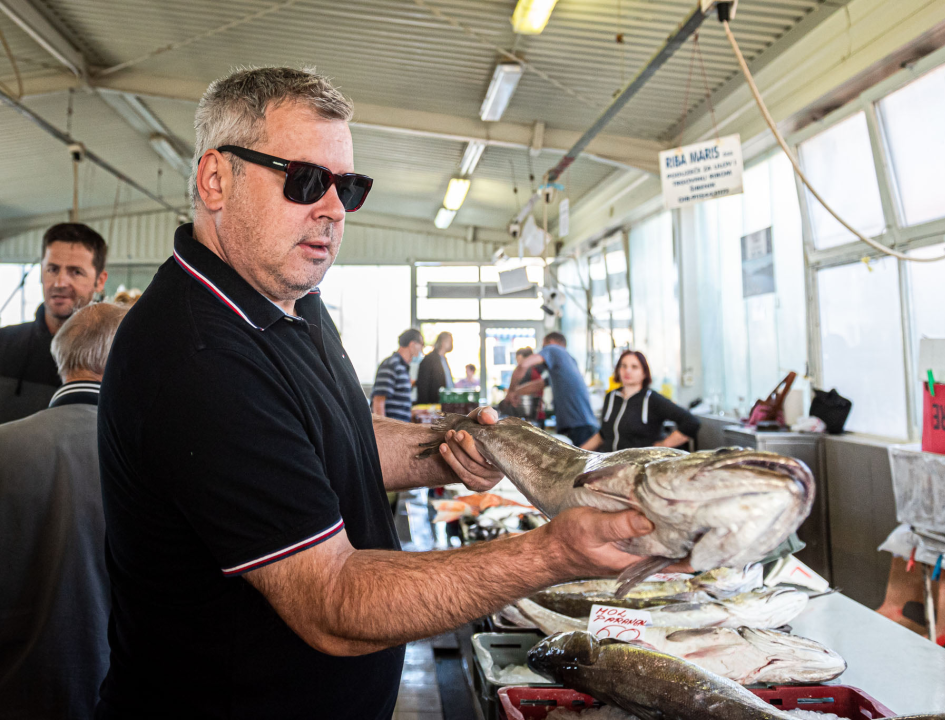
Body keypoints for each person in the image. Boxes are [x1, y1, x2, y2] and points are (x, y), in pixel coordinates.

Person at [96, 67, 667, 720]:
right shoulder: (194, 354)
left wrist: (448, 449)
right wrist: (554, 551)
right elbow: (333, 603)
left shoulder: (293, 300)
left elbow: (333, 437)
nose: (333, 209)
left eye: (349, 187)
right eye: (305, 180)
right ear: (216, 180)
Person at [0, 302, 127, 720]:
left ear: (61, 359)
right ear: (127, 361)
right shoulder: (150, 457)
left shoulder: (5, 446)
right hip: (116, 691)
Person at [0, 223, 108, 424]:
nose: (59, 282)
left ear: (100, 281)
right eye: (52, 269)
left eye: (75, 272)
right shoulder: (3, 344)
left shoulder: (116, 357)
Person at [581, 350, 700, 452]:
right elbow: (603, 435)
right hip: (610, 466)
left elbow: (691, 422)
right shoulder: (611, 397)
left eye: (634, 367)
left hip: (640, 468)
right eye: (623, 366)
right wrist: (578, 453)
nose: (627, 371)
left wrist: (663, 445)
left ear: (644, 373)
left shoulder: (652, 399)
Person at [509, 332, 597, 446]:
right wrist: (516, 392)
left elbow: (523, 365)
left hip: (579, 427)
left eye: (543, 346)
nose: (543, 350)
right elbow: (538, 385)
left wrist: (510, 392)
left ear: (550, 343)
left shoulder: (553, 349)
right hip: (582, 425)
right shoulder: (566, 362)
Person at [372, 328, 423, 421]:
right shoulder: (391, 364)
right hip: (390, 433)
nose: (422, 349)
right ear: (412, 345)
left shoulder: (403, 367)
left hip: (399, 431)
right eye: (421, 344)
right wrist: (384, 431)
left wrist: (412, 413)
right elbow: (378, 401)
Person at [416, 331, 453, 404]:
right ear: (443, 342)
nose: (452, 344)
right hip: (433, 405)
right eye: (450, 341)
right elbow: (423, 386)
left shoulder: (443, 359)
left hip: (445, 403)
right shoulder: (429, 360)